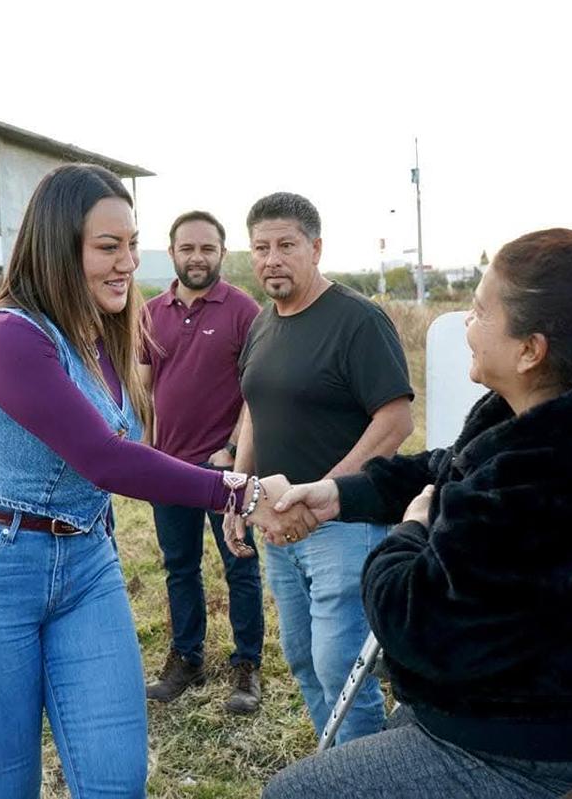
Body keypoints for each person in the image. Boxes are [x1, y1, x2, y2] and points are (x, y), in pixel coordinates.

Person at [0, 164, 312, 799]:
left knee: (116, 781)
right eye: (108, 247)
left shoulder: (104, 333)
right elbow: (103, 458)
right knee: (6, 787)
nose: (128, 262)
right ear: (56, 246)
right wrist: (244, 492)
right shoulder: (4, 337)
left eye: (131, 243)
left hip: (87, 564)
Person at [264, 219, 572, 798]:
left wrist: (409, 534)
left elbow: (418, 626)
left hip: (555, 752)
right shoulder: (561, 420)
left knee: (294, 794)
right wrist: (339, 495)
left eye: (478, 311)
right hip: (525, 717)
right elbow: (449, 469)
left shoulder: (565, 477)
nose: (466, 325)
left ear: (530, 350)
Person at [232, 192, 415, 744]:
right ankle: (335, 767)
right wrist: (239, 495)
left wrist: (328, 491)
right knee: (304, 661)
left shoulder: (358, 321)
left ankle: (367, 773)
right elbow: (254, 410)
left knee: (343, 669)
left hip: (343, 526)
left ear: (315, 248)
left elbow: (396, 419)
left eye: (286, 245)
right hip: (280, 526)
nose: (272, 259)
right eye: (261, 248)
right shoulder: (263, 324)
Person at [141, 210, 265, 713]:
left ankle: (247, 666)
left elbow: (257, 392)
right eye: (188, 248)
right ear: (172, 252)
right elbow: (143, 388)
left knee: (240, 563)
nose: (197, 257)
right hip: (167, 468)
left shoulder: (243, 311)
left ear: (222, 253)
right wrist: (144, 451)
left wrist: (233, 449)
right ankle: (187, 658)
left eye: (207, 249)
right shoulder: (149, 311)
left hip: (225, 468)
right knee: (179, 567)